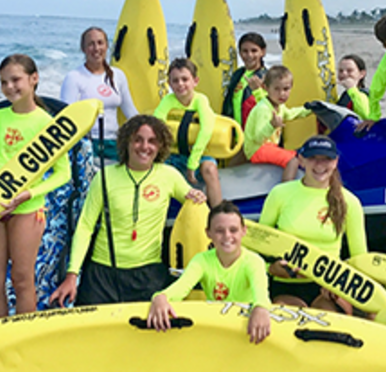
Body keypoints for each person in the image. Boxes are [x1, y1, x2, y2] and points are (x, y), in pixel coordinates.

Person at [50, 115, 206, 307]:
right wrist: (72, 275)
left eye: (152, 141)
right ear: (127, 142)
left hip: (148, 275)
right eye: (138, 140)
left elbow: (192, 201)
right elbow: (85, 226)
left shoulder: (169, 176)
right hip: (102, 274)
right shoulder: (105, 176)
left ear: (160, 146)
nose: (144, 147)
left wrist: (197, 196)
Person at [0, 55, 71, 319]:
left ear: (34, 79)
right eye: (3, 82)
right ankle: (0, 342)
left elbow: (63, 174)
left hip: (28, 210)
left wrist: (30, 194)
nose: (9, 87)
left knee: (22, 280)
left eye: (16, 80)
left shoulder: (47, 124)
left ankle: (23, 342)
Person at [260, 136, 367, 313]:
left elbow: (360, 259)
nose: (319, 165)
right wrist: (271, 268)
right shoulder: (280, 194)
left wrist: (339, 285)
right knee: (286, 312)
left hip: (328, 285)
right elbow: (258, 245)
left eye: (326, 159)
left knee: (326, 316)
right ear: (301, 160)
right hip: (286, 283)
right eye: (313, 158)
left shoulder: (350, 202)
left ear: (336, 162)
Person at [148, 201, 271, 343]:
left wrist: (261, 308)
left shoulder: (254, 261)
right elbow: (181, 287)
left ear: (244, 231)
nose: (227, 236)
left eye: (233, 230)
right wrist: (160, 297)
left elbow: (261, 294)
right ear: (208, 233)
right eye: (219, 231)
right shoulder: (202, 260)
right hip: (216, 328)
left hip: (246, 330)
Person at [60, 26, 138, 160]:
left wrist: (150, 129)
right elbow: (66, 118)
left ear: (107, 46)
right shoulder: (74, 77)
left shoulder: (117, 75)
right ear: (83, 49)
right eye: (91, 44)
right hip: (87, 143)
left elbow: (130, 112)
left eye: (100, 43)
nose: (96, 48)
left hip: (114, 142)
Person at [153, 58, 223, 207]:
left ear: (195, 81)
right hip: (175, 154)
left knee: (209, 169)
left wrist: (193, 163)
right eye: (175, 80)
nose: (180, 84)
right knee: (158, 168)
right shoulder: (168, 100)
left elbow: (206, 130)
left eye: (185, 79)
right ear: (169, 84)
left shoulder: (201, 100)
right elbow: (156, 124)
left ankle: (218, 211)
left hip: (200, 153)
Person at [243, 66, 312, 182]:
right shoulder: (263, 109)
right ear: (266, 88)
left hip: (268, 146)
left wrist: (310, 109)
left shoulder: (278, 105)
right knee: (293, 160)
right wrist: (271, 126)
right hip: (257, 149)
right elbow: (257, 138)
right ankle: (284, 191)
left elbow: (290, 114)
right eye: (277, 89)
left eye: (286, 89)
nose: (282, 94)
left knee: (300, 155)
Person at [222, 32, 268, 127]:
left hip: (255, 136)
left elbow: (273, 108)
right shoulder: (237, 75)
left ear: (262, 52)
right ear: (240, 53)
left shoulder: (268, 78)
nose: (249, 55)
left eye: (254, 51)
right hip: (236, 135)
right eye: (245, 51)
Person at [335, 54, 371, 120]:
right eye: (340, 71)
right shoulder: (340, 97)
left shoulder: (365, 95)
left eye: (349, 70)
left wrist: (352, 88)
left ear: (362, 74)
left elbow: (366, 115)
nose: (344, 74)